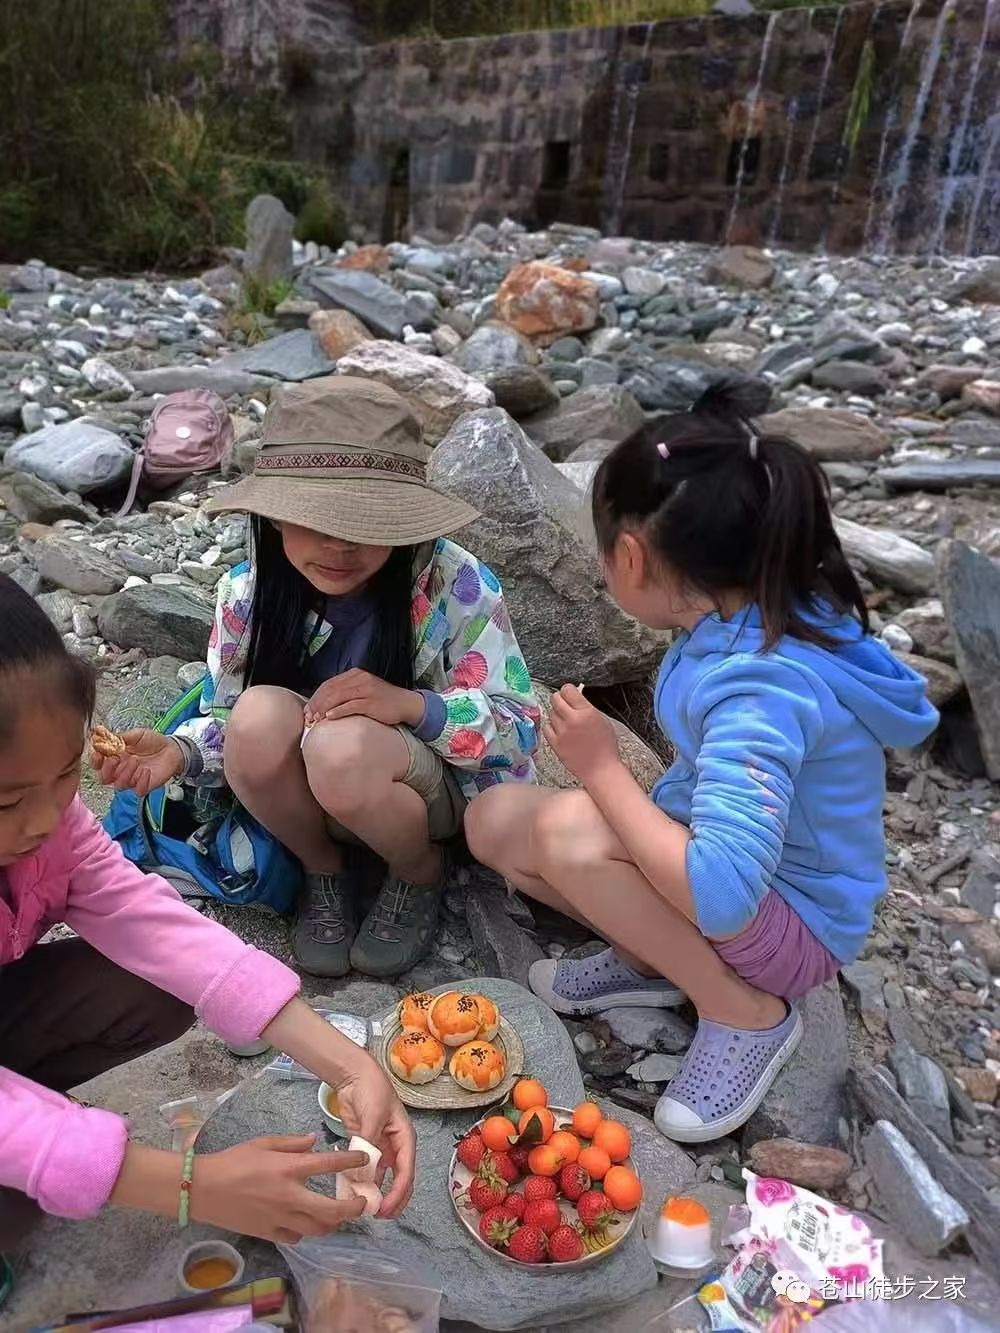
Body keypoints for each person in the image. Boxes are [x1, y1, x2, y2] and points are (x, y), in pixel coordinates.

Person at [466, 383, 938, 1144]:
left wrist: (601, 769)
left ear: (630, 554)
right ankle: (649, 957)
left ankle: (743, 1012)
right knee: (493, 822)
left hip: (792, 921)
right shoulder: (744, 603)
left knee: (569, 835)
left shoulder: (763, 685)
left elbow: (721, 893)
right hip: (741, 870)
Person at [0, 573, 416, 1274]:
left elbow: (144, 916)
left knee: (150, 981)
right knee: (18, 1204)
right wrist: (195, 1186)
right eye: (8, 801)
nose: (46, 820)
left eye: (66, 778)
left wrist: (348, 1063)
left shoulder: (53, 825)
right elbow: (183, 1186)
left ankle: (43, 1123)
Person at [95, 376, 539, 979]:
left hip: (414, 796)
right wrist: (179, 752)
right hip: (308, 802)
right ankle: (321, 870)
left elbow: (518, 729)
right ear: (273, 518)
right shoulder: (247, 595)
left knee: (340, 742)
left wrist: (411, 706)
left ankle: (417, 871)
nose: (339, 545)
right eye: (314, 518)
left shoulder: (455, 586)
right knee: (256, 716)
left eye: (365, 520)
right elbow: (232, 723)